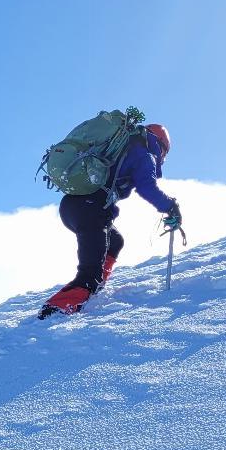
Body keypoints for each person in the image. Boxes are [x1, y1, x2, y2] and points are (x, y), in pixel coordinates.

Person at [38, 123, 182, 319]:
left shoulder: (123, 147)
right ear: (161, 145)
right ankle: (54, 311)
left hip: (75, 207)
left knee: (115, 241)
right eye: (165, 152)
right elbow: (147, 187)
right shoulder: (144, 153)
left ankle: (95, 286)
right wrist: (170, 207)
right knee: (89, 274)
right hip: (90, 209)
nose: (163, 158)